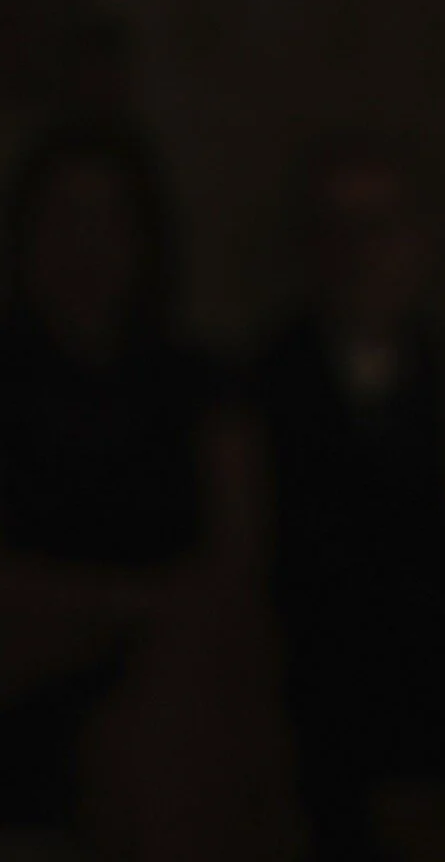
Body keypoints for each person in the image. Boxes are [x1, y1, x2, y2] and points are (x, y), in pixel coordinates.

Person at [0, 123, 295, 859]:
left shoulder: (201, 386)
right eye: (63, 218)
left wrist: (155, 617)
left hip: (169, 669)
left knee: (186, 679)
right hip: (32, 650)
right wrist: (119, 604)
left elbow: (237, 557)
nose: (85, 245)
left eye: (107, 219)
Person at [252, 138, 445, 862]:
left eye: (380, 228)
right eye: (337, 229)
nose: (359, 254)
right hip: (312, 740)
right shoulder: (264, 392)